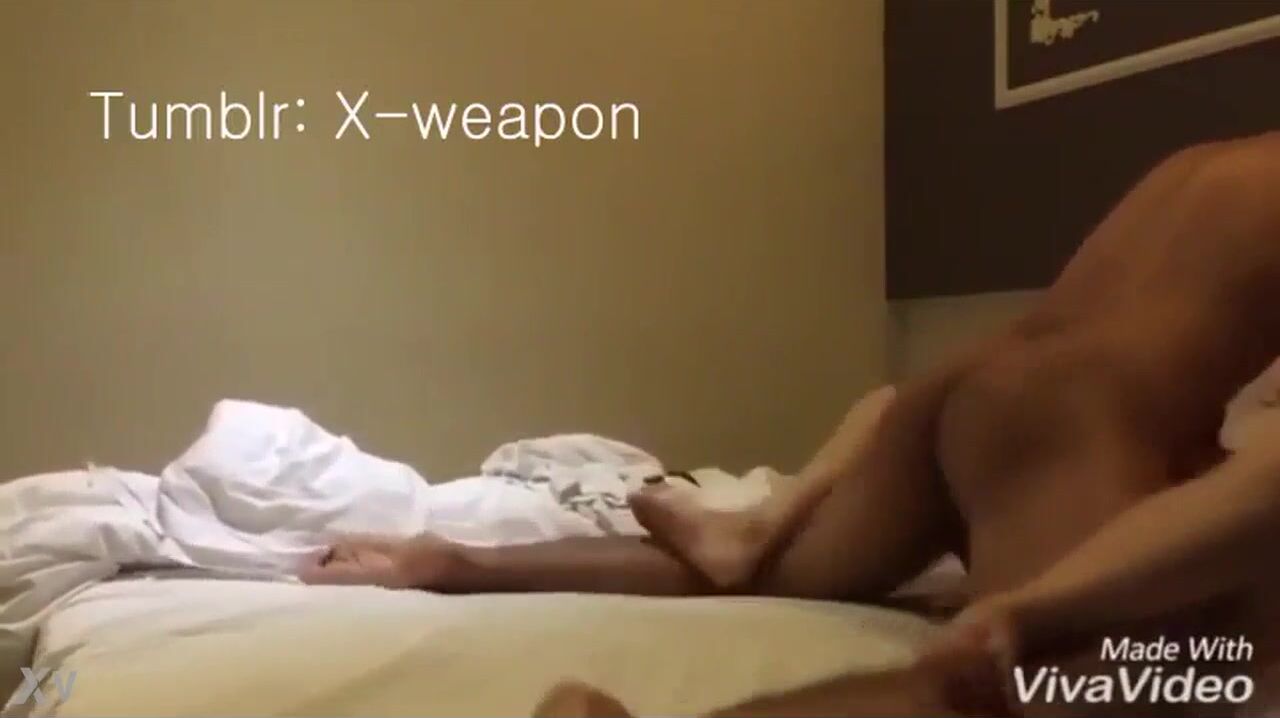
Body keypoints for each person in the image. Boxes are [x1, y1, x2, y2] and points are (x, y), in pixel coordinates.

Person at [303, 132, 1280, 716]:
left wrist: (461, 560)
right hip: (1058, 413)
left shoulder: (1207, 167)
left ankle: (454, 562)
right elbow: (1263, 482)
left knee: (762, 565)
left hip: (948, 391)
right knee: (1102, 686)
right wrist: (1036, 612)